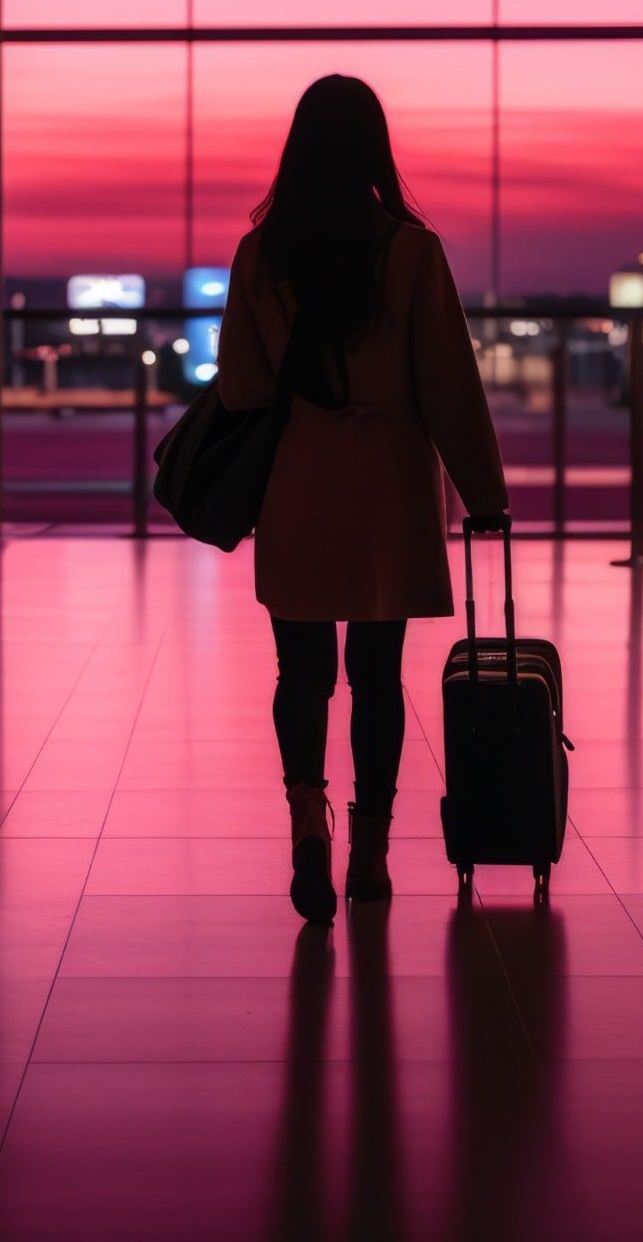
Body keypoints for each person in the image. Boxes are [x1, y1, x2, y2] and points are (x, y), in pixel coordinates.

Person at [217, 75, 509, 922]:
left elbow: (239, 384)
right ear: (375, 148)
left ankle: (307, 820)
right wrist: (483, 494)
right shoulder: (412, 253)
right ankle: (372, 851)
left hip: (299, 480)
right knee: (376, 676)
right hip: (387, 483)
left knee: (300, 669)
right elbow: (449, 385)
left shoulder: (261, 255)